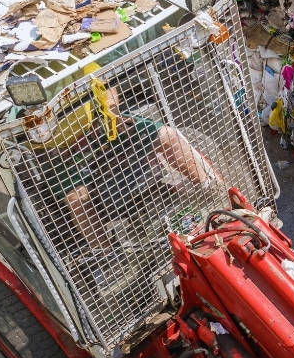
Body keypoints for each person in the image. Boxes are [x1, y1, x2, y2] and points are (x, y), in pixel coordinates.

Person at [41, 86, 220, 284]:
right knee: (76, 198)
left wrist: (112, 113)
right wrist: (60, 142)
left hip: (103, 125)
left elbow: (105, 83)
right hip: (66, 149)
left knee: (167, 135)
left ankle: (211, 190)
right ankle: (108, 257)